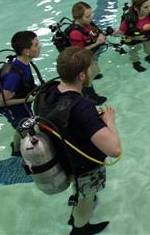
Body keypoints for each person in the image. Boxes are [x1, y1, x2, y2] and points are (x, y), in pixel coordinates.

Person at [35, 47, 121, 235]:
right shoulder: (82, 108)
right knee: (86, 200)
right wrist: (109, 122)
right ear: (82, 75)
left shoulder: (46, 92)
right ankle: (80, 227)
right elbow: (114, 150)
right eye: (91, 67)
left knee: (83, 193)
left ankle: (81, 199)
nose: (94, 70)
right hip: (84, 168)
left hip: (63, 159)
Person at [0, 31, 41, 156]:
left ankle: (16, 144)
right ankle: (16, 151)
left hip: (20, 99)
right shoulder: (13, 76)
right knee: (24, 127)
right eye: (36, 45)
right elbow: (1, 102)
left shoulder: (23, 63)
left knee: (29, 123)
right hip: (10, 106)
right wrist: (30, 99)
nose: (40, 47)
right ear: (27, 51)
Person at [113, 0, 150, 73]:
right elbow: (120, 33)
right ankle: (136, 63)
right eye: (145, 7)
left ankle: (149, 57)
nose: (149, 9)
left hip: (147, 37)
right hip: (133, 38)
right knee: (134, 50)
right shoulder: (129, 20)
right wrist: (133, 37)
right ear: (136, 8)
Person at [69, 2, 107, 104]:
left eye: (91, 14)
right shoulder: (75, 33)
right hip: (82, 59)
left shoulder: (87, 24)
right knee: (87, 79)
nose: (91, 17)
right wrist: (97, 43)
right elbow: (78, 52)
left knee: (93, 71)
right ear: (78, 18)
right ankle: (91, 97)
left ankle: (93, 76)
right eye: (88, 16)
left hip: (90, 55)